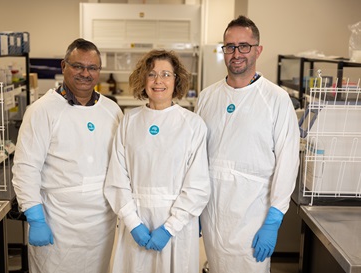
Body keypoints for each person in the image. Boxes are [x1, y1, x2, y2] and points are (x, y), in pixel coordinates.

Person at [195, 15, 300, 273]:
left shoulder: (276, 99)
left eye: (244, 46)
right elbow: (195, 155)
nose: (236, 53)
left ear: (258, 50)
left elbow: (288, 161)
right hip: (212, 214)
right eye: (229, 46)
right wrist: (193, 206)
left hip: (253, 215)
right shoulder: (208, 96)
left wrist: (274, 220)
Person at [12, 38, 123, 273]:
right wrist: (36, 218)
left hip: (100, 225)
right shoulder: (42, 110)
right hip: (58, 223)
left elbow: (122, 164)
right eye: (78, 66)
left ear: (99, 71)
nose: (85, 73)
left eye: (92, 68)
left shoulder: (112, 110)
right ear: (64, 66)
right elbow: (25, 168)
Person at [104, 49, 210, 273]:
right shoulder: (129, 121)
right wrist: (133, 224)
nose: (158, 81)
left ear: (176, 80)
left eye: (166, 74)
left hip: (176, 227)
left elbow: (198, 185)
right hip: (136, 220)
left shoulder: (192, 125)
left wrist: (170, 228)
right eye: (151, 74)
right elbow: (117, 178)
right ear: (143, 80)